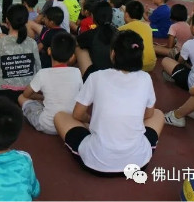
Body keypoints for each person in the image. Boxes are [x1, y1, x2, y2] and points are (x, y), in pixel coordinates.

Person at [54, 31, 165, 176]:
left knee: (60, 116)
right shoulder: (145, 78)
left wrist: (90, 120)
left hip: (97, 163)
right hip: (138, 162)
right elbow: (149, 114)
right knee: (158, 114)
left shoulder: (96, 77)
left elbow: (77, 114)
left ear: (113, 54)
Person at [19, 33, 82, 135]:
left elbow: (26, 94)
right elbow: (80, 96)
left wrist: (41, 97)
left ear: (49, 51)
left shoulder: (43, 73)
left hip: (47, 125)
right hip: (69, 124)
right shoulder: (77, 72)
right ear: (72, 57)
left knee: (21, 98)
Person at [0, 4, 41, 103]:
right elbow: (38, 69)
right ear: (26, 21)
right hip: (27, 91)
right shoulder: (32, 43)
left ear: (7, 20)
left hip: (4, 93)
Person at [76, 1, 119, 82]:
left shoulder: (90, 35)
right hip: (117, 74)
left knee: (79, 48)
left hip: (96, 76)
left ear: (93, 16)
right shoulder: (118, 33)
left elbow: (77, 42)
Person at [118, 1, 157, 72]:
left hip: (134, 66)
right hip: (151, 64)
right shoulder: (148, 27)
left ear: (126, 14)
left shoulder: (121, 29)